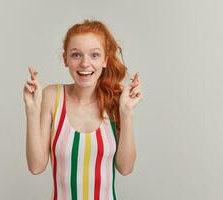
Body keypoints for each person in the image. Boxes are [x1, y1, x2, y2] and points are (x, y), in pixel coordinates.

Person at [23, 19, 143, 200]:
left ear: (105, 60)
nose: (85, 63)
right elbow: (36, 166)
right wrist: (32, 111)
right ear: (65, 60)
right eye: (76, 55)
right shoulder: (52, 96)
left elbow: (125, 168)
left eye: (94, 55)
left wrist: (127, 114)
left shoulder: (115, 102)